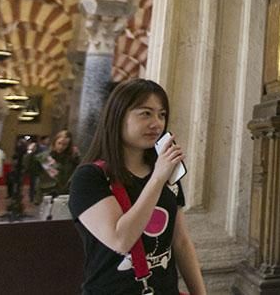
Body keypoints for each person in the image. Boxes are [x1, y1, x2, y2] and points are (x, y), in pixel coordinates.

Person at [69, 79, 206, 294]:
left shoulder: (165, 170)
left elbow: (180, 241)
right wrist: (158, 179)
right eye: (145, 113)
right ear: (118, 115)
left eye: (161, 114)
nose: (157, 124)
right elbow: (121, 240)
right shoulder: (90, 178)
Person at [34, 130, 79, 198]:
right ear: (55, 142)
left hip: (64, 193)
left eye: (65, 144)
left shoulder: (72, 158)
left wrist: (77, 156)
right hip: (46, 193)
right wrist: (30, 153)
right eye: (59, 143)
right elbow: (32, 170)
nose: (61, 147)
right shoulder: (44, 156)